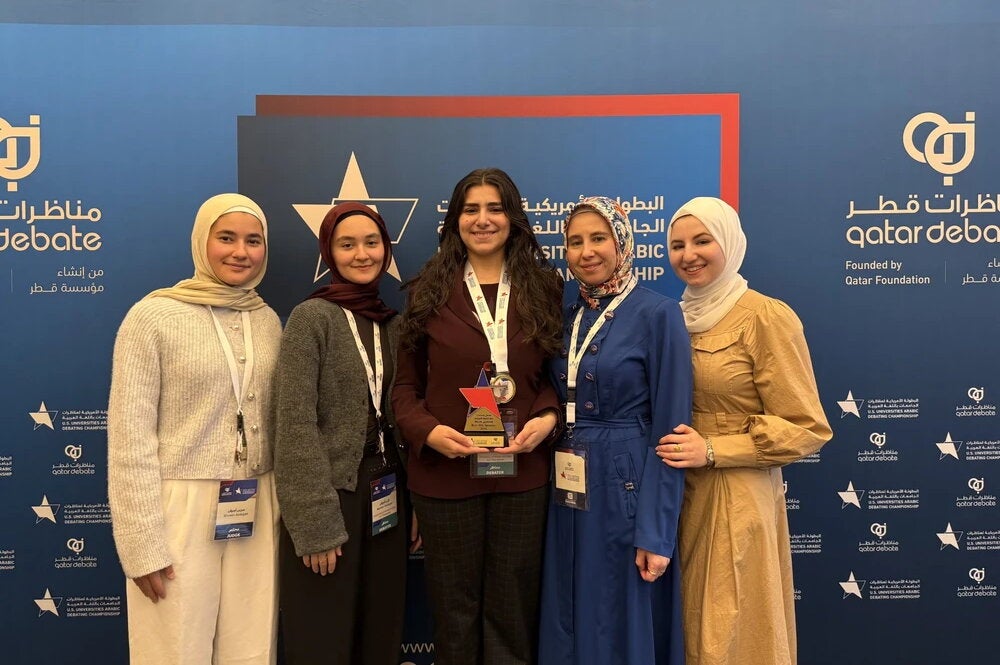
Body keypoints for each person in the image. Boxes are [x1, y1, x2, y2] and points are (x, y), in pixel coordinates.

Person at [392, 167, 564, 665]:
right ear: (455, 219)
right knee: (454, 611)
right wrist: (429, 432)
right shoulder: (425, 291)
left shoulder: (544, 288)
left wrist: (548, 418)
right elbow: (403, 388)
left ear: (513, 217)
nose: (483, 220)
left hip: (522, 475)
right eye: (471, 209)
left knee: (513, 610)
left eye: (495, 208)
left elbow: (555, 375)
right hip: (445, 476)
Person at [656, 197, 833, 665]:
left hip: (734, 497)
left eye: (702, 240)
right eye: (677, 245)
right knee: (687, 631)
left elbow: (806, 427)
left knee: (726, 636)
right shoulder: (673, 318)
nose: (688, 254)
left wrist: (714, 449)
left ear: (730, 243)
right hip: (677, 493)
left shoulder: (765, 316)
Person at [108, 193, 282, 664]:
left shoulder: (268, 321)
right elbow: (129, 438)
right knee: (174, 648)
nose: (240, 252)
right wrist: (142, 545)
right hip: (179, 506)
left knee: (252, 647)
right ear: (201, 242)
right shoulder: (153, 316)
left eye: (253, 240)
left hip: (257, 500)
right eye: (225, 238)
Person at [538, 196, 691, 665]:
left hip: (627, 484)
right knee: (569, 605)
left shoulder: (658, 313)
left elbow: (672, 430)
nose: (587, 251)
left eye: (599, 238)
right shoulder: (565, 317)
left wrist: (656, 533)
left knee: (619, 615)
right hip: (566, 483)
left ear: (623, 243)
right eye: (575, 241)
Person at [273, 202, 417, 664]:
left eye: (371, 243)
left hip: (389, 495)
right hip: (331, 498)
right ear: (330, 253)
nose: (362, 254)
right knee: (322, 636)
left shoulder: (394, 324)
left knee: (381, 631)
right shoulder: (311, 319)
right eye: (347, 244)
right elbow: (294, 425)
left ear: (386, 249)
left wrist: (416, 503)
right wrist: (314, 526)